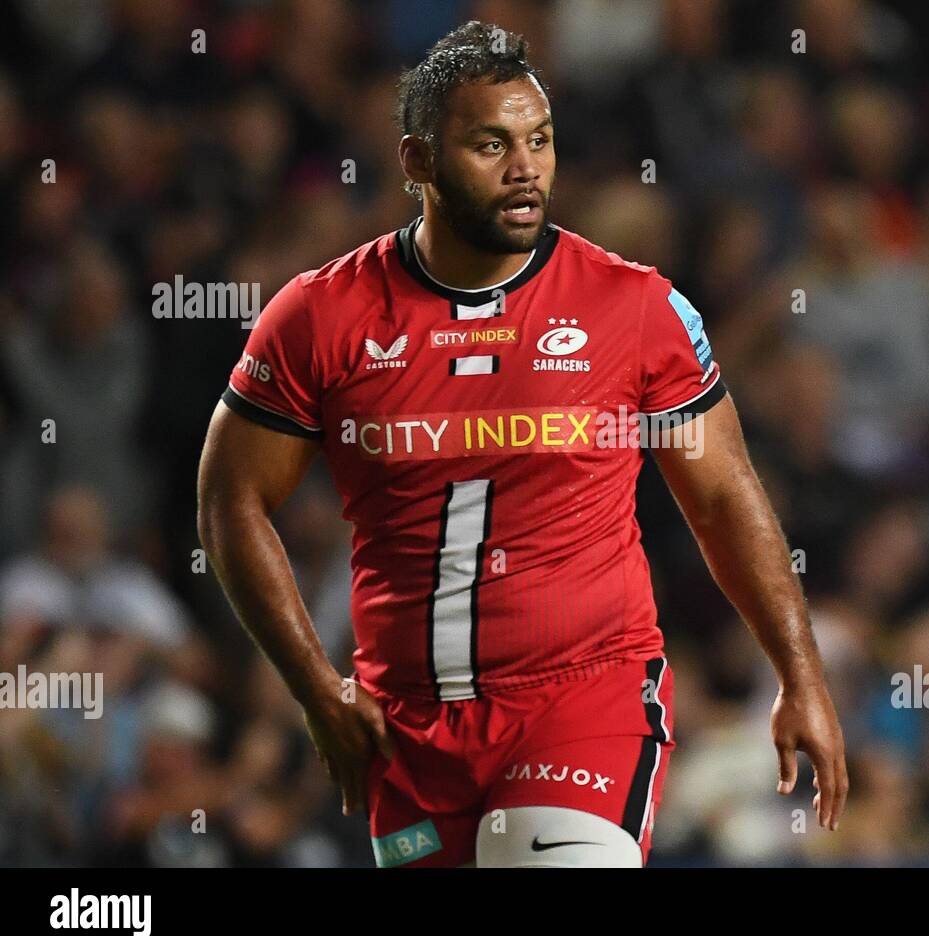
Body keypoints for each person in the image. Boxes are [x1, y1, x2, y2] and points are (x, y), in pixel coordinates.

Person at [196, 20, 846, 868]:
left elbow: (724, 498)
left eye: (539, 141)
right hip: (411, 731)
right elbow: (229, 501)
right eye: (490, 145)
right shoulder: (322, 317)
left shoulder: (634, 308)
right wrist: (316, 689)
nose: (524, 168)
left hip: (585, 697)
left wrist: (800, 674)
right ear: (419, 162)